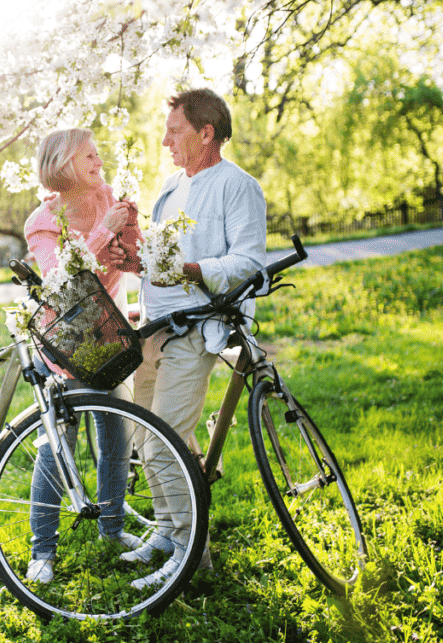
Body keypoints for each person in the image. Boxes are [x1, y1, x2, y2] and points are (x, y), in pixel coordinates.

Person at [117, 88, 267, 588]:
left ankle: (189, 555)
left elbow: (250, 266)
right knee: (146, 438)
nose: (164, 141)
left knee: (163, 445)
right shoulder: (169, 186)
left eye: (174, 131)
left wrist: (191, 269)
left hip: (194, 329)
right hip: (152, 332)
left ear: (206, 133)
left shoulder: (237, 186)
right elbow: (162, 265)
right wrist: (138, 266)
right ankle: (166, 531)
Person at [21, 128, 142, 584]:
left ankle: (112, 530)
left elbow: (133, 259)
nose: (98, 159)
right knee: (59, 446)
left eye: (98, 152)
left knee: (116, 437)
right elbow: (57, 283)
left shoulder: (107, 196)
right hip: (68, 342)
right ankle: (43, 551)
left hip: (111, 336)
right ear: (64, 164)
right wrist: (102, 232)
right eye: (87, 154)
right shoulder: (42, 221)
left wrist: (129, 240)